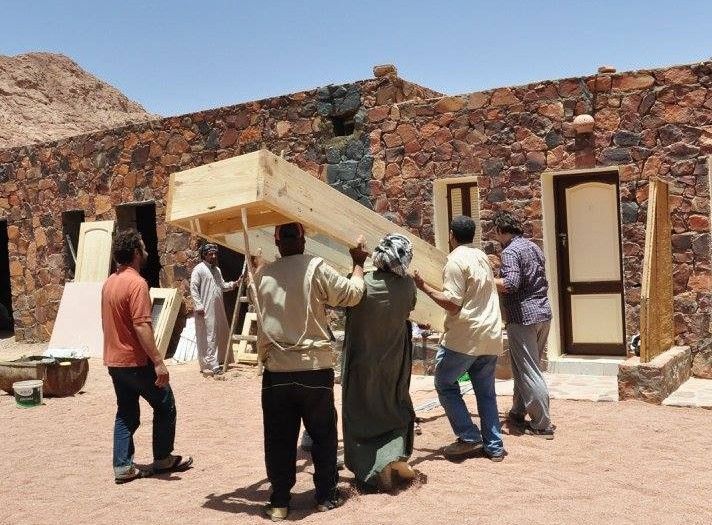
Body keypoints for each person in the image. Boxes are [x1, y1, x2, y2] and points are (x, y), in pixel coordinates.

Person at [255, 222, 368, 521]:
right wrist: (358, 263)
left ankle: (279, 502)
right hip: (313, 369)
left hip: (277, 371)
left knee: (278, 439)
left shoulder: (263, 275)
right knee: (323, 436)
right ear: (303, 240)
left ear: (277, 243)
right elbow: (352, 295)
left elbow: (262, 317)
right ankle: (325, 497)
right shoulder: (316, 267)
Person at [101, 229, 192, 484]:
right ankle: (162, 458)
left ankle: (123, 466)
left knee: (126, 413)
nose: (147, 251)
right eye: (143, 247)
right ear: (135, 253)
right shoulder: (137, 283)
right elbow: (141, 325)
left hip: (114, 361)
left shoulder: (109, 283)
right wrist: (159, 362)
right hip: (136, 361)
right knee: (165, 404)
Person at [413, 215, 505, 462]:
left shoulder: (455, 261)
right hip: (490, 333)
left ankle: (468, 437)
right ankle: (494, 446)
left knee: (444, 384)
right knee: (486, 393)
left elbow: (453, 304)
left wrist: (423, 286)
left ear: (451, 235)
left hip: (465, 337)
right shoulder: (481, 257)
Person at [342, 233, 417, 491]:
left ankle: (373, 467)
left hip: (362, 362)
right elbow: (408, 308)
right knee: (395, 406)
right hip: (394, 361)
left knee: (360, 411)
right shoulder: (408, 286)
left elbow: (347, 297)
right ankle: (393, 458)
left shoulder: (361, 283)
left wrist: (357, 263)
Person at [492, 211, 555, 439]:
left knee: (529, 370)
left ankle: (542, 424)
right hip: (542, 314)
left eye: (495, 233)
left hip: (522, 318)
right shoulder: (533, 247)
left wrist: (484, 279)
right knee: (524, 367)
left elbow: (510, 283)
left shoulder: (510, 252)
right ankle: (518, 411)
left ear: (500, 230)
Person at [190, 243, 237, 375]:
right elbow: (193, 288)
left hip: (218, 307)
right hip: (205, 308)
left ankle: (221, 359)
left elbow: (222, 285)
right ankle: (212, 364)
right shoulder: (199, 269)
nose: (214, 256)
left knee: (221, 332)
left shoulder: (217, 270)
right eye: (210, 254)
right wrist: (199, 306)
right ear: (204, 255)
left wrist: (234, 284)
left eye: (215, 254)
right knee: (210, 335)